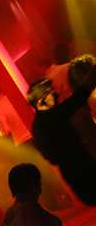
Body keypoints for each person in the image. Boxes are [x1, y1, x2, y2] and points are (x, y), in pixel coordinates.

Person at [27, 60, 96, 205]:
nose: (57, 94)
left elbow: (50, 156)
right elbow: (80, 96)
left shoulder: (38, 125)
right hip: (81, 170)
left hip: (72, 172)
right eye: (51, 93)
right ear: (40, 102)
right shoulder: (52, 116)